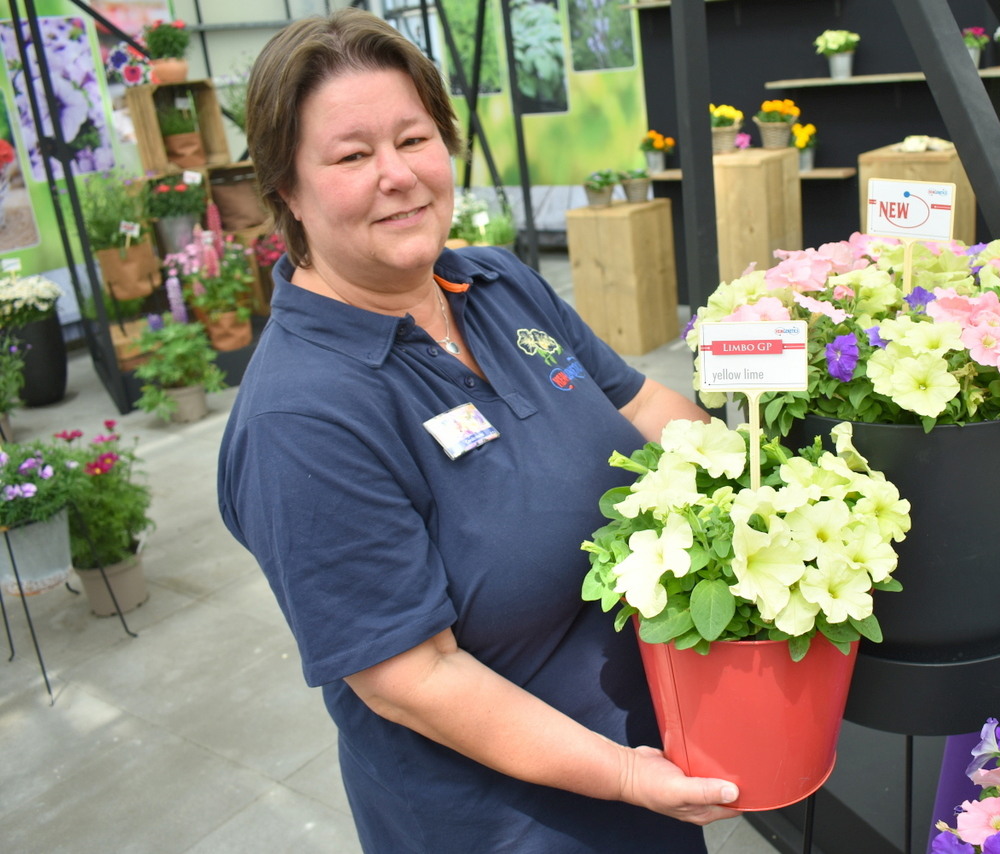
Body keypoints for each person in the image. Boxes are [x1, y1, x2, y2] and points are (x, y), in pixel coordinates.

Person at [216, 8, 740, 853]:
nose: (398, 175)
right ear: (287, 188)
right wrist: (624, 775)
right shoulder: (302, 418)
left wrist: (776, 490)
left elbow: (642, 408)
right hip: (514, 826)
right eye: (351, 156)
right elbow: (412, 678)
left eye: (413, 138)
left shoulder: (494, 283)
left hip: (653, 768)